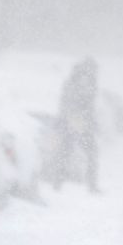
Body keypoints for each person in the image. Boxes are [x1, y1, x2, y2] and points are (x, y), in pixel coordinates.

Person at [51, 57, 101, 193]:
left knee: (66, 152)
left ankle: (58, 182)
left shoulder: (81, 81)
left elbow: (69, 103)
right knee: (88, 153)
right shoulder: (84, 82)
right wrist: (79, 120)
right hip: (76, 122)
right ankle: (91, 186)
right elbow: (74, 103)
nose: (96, 72)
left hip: (73, 122)